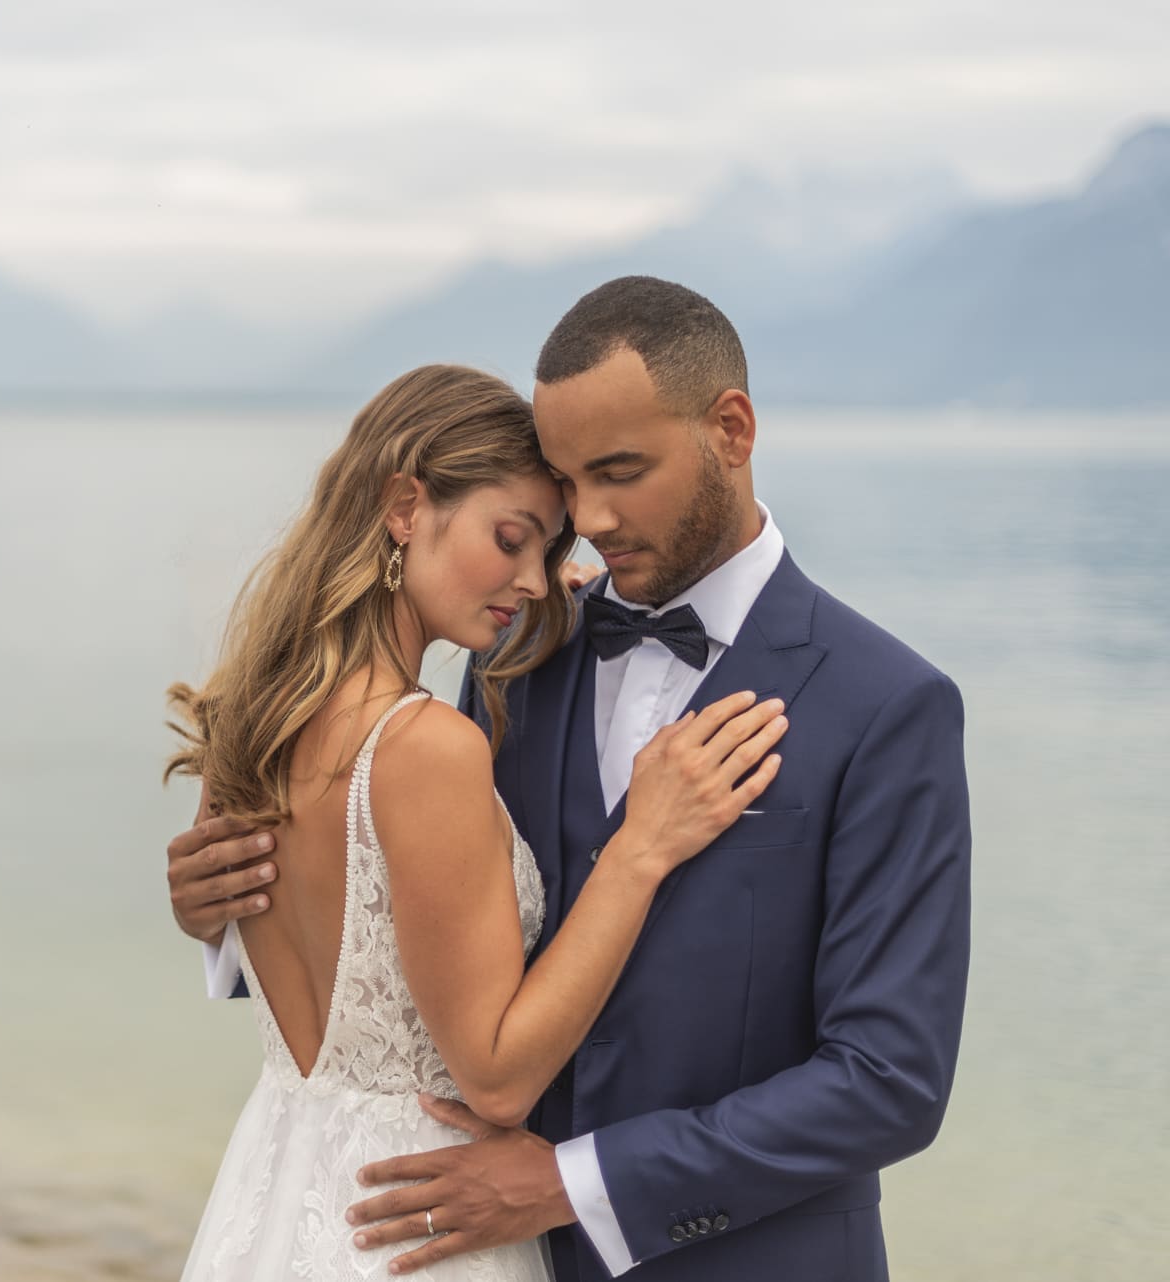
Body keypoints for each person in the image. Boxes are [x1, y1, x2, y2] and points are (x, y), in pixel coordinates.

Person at [168, 278, 971, 1282]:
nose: (587, 520)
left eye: (619, 472)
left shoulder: (887, 703)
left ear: (732, 429)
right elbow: (407, 911)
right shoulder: (513, 657)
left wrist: (576, 1184)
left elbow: (888, 1082)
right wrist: (227, 906)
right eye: (560, 490)